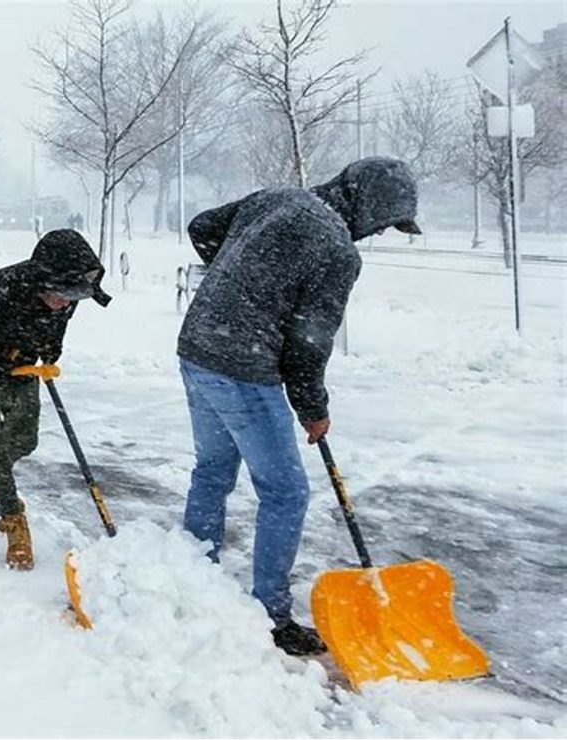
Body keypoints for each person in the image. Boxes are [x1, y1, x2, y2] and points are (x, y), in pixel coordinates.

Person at [176, 157, 421, 656]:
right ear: (369, 207)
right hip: (243, 367)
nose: (377, 234)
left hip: (197, 346)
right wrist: (313, 407)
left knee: (213, 471)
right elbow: (308, 344)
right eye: (384, 223)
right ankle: (270, 615)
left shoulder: (276, 197)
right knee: (286, 493)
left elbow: (202, 226)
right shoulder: (337, 250)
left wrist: (238, 282)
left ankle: (188, 579)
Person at [0, 230, 112, 570]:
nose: (66, 302)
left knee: (25, 438)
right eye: (62, 294)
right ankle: (12, 517)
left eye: (74, 296)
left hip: (22, 364)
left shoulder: (64, 295)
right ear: (42, 282)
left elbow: (54, 326)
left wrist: (48, 351)